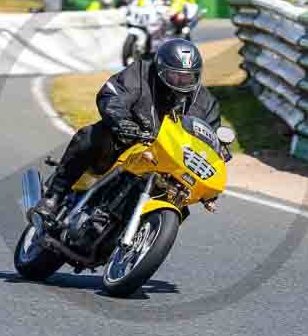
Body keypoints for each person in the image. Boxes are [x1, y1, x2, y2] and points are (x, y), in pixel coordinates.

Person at [31, 39, 223, 221]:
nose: (181, 81)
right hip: (129, 144)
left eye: (187, 76)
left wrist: (209, 186)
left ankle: (143, 237)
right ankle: (54, 196)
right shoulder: (141, 74)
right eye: (175, 75)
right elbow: (113, 95)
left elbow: (211, 143)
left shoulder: (205, 103)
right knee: (92, 135)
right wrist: (122, 122)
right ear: (161, 70)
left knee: (181, 199)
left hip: (170, 164)